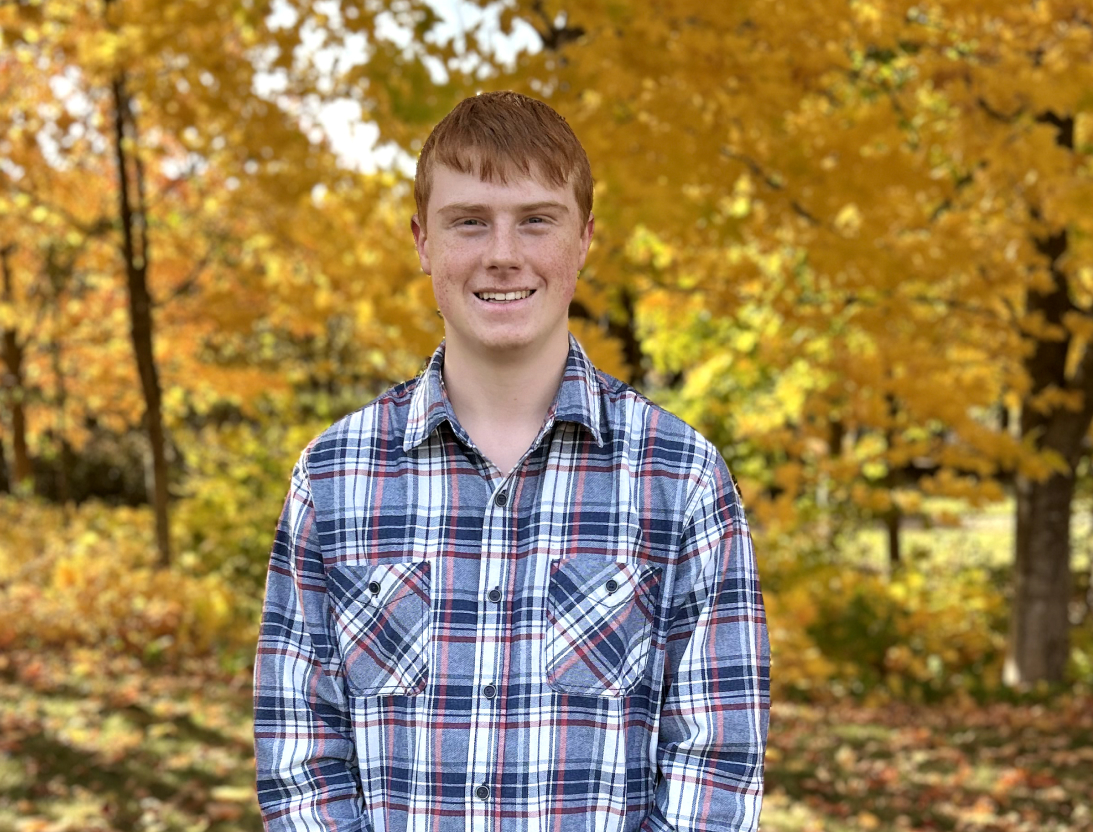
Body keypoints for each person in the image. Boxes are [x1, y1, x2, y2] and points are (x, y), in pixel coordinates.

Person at [254, 90, 770, 832]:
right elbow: (300, 757)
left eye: (536, 220)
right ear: (422, 240)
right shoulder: (333, 479)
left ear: (584, 238)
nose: (503, 253)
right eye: (469, 222)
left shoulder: (681, 477)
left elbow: (714, 767)